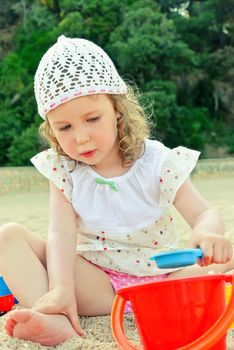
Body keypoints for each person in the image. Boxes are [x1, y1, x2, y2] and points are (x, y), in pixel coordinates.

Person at [0, 35, 233, 347]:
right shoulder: (64, 170)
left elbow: (203, 212)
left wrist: (207, 234)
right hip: (99, 287)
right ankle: (57, 316)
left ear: (118, 110)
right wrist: (62, 287)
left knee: (222, 262)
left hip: (166, 280)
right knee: (7, 238)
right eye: (64, 127)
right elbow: (61, 235)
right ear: (50, 129)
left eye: (92, 119)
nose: (81, 138)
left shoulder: (156, 161)